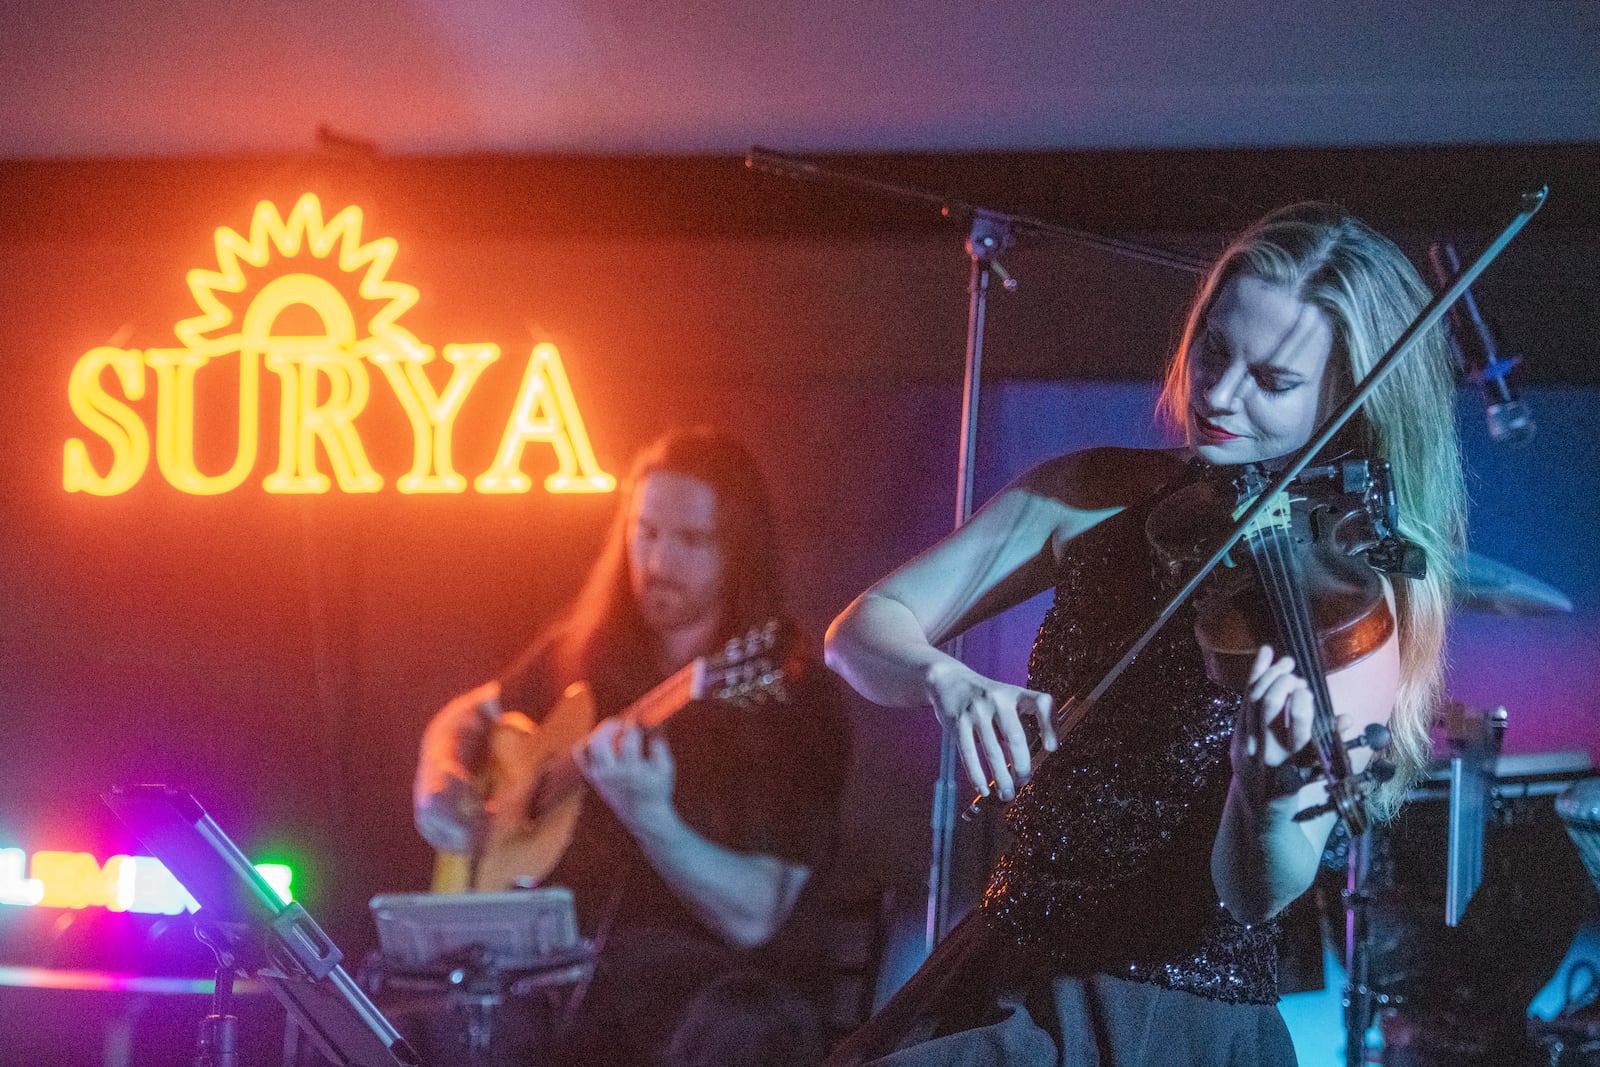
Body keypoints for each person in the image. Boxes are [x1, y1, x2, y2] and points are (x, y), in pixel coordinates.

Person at [822, 203, 1464, 1067]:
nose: (1220, 393)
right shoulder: (1090, 494)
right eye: (1213, 350)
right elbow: (861, 631)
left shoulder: (1342, 611)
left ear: (1348, 405)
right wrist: (949, 680)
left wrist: (1263, 794)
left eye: (1273, 380)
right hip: (1007, 959)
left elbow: (1256, 893)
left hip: (1158, 1017)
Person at [413, 427, 848, 1067]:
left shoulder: (788, 694)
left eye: (690, 541)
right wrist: (439, 776)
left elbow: (757, 915)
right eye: (644, 532)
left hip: (701, 993)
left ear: (741, 551)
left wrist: (653, 820)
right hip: (553, 973)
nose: (657, 562)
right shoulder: (586, 650)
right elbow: (467, 713)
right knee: (407, 1017)